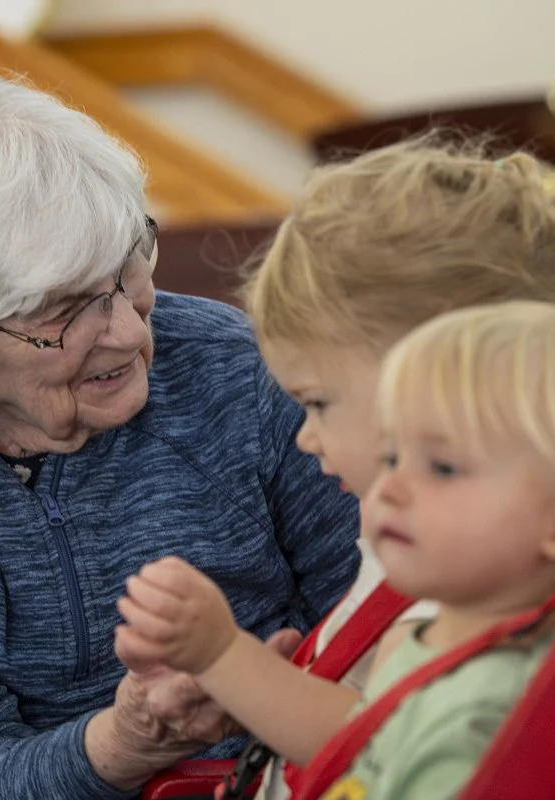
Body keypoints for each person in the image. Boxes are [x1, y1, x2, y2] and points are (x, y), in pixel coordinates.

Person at [0, 69, 361, 799]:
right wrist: (123, 743)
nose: (128, 331)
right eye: (63, 309)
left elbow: (377, 617)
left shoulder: (234, 366)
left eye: (128, 267)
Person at [117, 136, 555, 799]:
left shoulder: (464, 573)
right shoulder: (431, 553)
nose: (306, 439)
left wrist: (223, 657)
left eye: (318, 404)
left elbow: (368, 738)